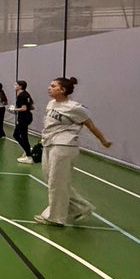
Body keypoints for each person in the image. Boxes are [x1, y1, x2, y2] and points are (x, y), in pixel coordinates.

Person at [34, 77, 113, 226]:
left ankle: (56, 218)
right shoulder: (51, 103)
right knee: (51, 179)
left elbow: (90, 125)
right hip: (48, 143)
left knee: (57, 182)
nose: (49, 88)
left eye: (53, 86)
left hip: (64, 145)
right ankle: (81, 208)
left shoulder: (75, 108)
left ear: (62, 90)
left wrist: (103, 140)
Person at [12, 80, 36, 164]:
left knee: (20, 135)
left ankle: (29, 155)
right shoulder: (26, 94)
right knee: (19, 135)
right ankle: (27, 151)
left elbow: (24, 108)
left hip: (24, 118)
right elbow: (32, 107)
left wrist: (14, 109)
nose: (14, 86)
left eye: (16, 84)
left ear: (20, 86)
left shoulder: (22, 96)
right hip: (26, 116)